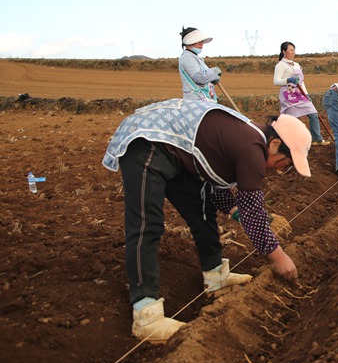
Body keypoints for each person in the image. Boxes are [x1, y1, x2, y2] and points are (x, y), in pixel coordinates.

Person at [102, 98, 312, 342]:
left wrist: (235, 210)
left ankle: (215, 276)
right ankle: (146, 316)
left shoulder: (245, 139)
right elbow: (253, 214)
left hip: (177, 154)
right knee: (147, 224)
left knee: (201, 209)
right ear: (274, 144)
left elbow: (215, 185)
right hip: (148, 140)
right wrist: (280, 257)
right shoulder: (252, 148)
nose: (281, 169)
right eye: (285, 163)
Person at [273, 41, 331, 146]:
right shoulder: (280, 65)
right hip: (288, 95)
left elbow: (301, 82)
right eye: (291, 50)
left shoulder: (297, 65)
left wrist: (306, 95)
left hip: (300, 94)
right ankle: (286, 139)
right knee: (291, 118)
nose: (293, 52)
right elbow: (276, 81)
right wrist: (288, 80)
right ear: (283, 51)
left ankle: (316, 139)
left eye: (294, 50)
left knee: (313, 113)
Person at [179, 27, 223, 102]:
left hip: (204, 99)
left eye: (201, 41)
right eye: (198, 41)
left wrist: (212, 78)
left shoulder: (195, 57)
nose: (201, 44)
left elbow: (204, 75)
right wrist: (214, 72)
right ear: (189, 42)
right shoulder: (188, 57)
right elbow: (199, 77)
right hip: (196, 100)